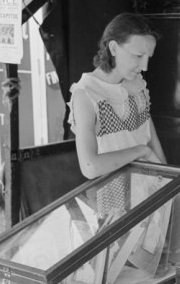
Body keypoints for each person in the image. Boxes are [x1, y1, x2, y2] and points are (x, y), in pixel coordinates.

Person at [68, 13, 167, 180]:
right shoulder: (87, 94)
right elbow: (90, 167)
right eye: (138, 56)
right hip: (116, 197)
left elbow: (149, 134)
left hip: (150, 189)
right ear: (113, 48)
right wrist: (141, 151)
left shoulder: (137, 83)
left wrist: (167, 179)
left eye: (148, 58)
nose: (145, 66)